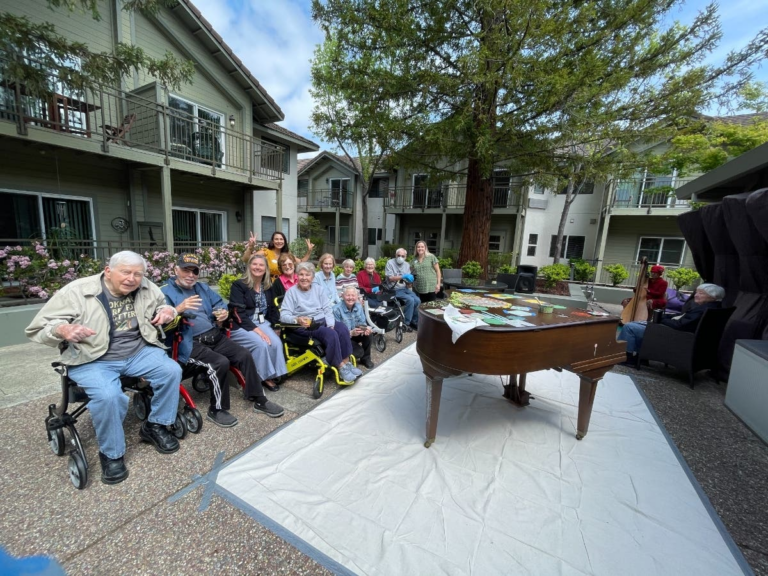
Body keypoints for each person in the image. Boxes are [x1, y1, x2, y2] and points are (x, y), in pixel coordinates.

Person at [25, 251, 181, 485]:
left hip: (138, 351)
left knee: (171, 371)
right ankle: (112, 454)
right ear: (108, 271)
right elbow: (39, 328)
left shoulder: (147, 287)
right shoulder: (77, 291)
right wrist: (63, 330)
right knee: (109, 396)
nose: (132, 278)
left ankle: (155, 425)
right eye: (125, 272)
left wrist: (168, 311)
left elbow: (163, 305)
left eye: (137, 274)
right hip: (92, 358)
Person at [161, 254, 284, 425]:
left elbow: (219, 303)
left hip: (213, 335)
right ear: (176, 270)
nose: (190, 275)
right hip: (187, 342)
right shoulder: (164, 291)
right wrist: (178, 309)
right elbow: (160, 323)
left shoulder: (202, 288)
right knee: (220, 362)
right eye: (185, 270)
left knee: (244, 354)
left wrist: (222, 312)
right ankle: (217, 409)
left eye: (194, 271)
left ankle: (258, 399)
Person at [280, 262, 362, 383]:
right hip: (305, 326)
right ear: (297, 276)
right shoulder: (291, 292)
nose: (304, 278)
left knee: (342, 328)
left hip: (322, 321)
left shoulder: (318, 289)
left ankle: (346, 362)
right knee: (330, 334)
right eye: (301, 274)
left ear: (312, 277)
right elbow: (284, 316)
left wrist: (330, 324)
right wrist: (297, 319)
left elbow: (327, 309)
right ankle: (340, 367)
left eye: (307, 275)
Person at [618, 283, 725, 365]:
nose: (696, 295)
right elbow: (684, 318)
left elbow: (679, 325)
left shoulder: (703, 309)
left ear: (713, 296)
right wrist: (664, 317)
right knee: (638, 324)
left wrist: (660, 319)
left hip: (675, 337)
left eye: (701, 293)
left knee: (630, 327)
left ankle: (627, 357)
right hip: (683, 336)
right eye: (696, 292)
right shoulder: (713, 307)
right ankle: (642, 357)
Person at [228, 253, 288, 391]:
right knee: (261, 344)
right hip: (242, 325)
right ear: (249, 266)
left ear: (266, 269)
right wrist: (258, 331)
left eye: (261, 265)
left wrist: (275, 327)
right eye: (254, 264)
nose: (258, 267)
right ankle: (262, 378)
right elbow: (238, 313)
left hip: (261, 322)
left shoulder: (267, 286)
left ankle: (273, 373)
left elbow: (273, 309)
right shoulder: (239, 285)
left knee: (276, 343)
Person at [334, 285, 374, 369]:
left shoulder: (358, 306)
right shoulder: (336, 310)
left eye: (353, 295)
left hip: (355, 333)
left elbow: (362, 322)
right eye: (348, 295)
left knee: (368, 334)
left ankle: (365, 359)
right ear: (342, 296)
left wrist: (365, 329)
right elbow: (336, 333)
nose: (350, 298)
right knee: (358, 352)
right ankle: (344, 357)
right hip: (343, 338)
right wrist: (351, 333)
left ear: (356, 297)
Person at [242, 231, 313, 277]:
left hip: (283, 284)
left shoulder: (287, 254)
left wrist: (309, 251)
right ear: (272, 241)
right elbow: (246, 259)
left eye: (281, 239)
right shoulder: (266, 252)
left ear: (284, 241)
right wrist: (251, 246)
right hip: (268, 284)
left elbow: (301, 262)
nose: (279, 241)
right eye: (276, 239)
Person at [384, 247, 422, 330]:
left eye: (402, 256)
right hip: (393, 289)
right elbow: (390, 278)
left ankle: (414, 321)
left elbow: (408, 283)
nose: (400, 257)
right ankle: (406, 323)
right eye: (398, 255)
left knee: (417, 300)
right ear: (395, 255)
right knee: (410, 300)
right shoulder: (390, 263)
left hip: (404, 288)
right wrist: (403, 276)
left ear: (405, 257)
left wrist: (410, 282)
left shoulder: (407, 265)